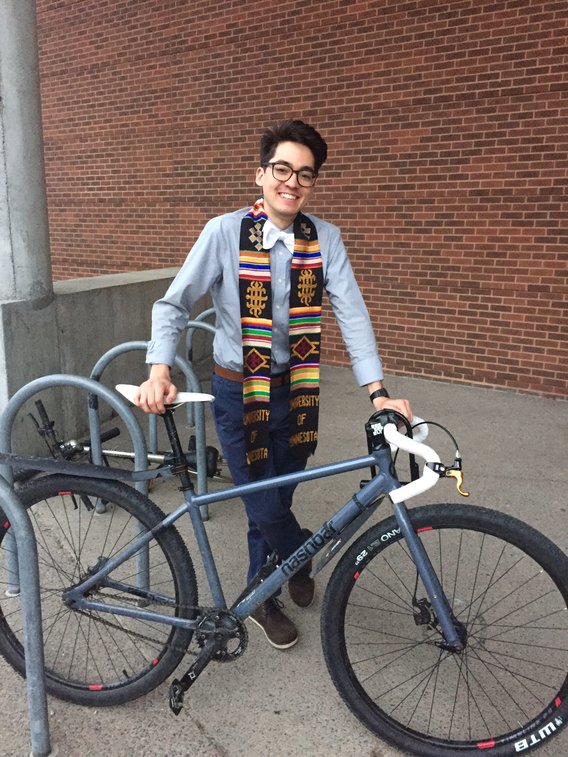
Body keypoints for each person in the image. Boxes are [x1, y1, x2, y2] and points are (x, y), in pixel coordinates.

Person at [135, 119, 412, 650]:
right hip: (240, 392)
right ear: (261, 173)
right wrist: (158, 368)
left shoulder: (324, 239)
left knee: (279, 493)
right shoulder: (224, 232)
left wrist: (378, 390)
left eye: (305, 174)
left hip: (297, 390)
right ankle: (285, 570)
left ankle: (272, 575)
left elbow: (352, 314)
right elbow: (173, 304)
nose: (293, 181)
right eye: (282, 168)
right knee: (263, 501)